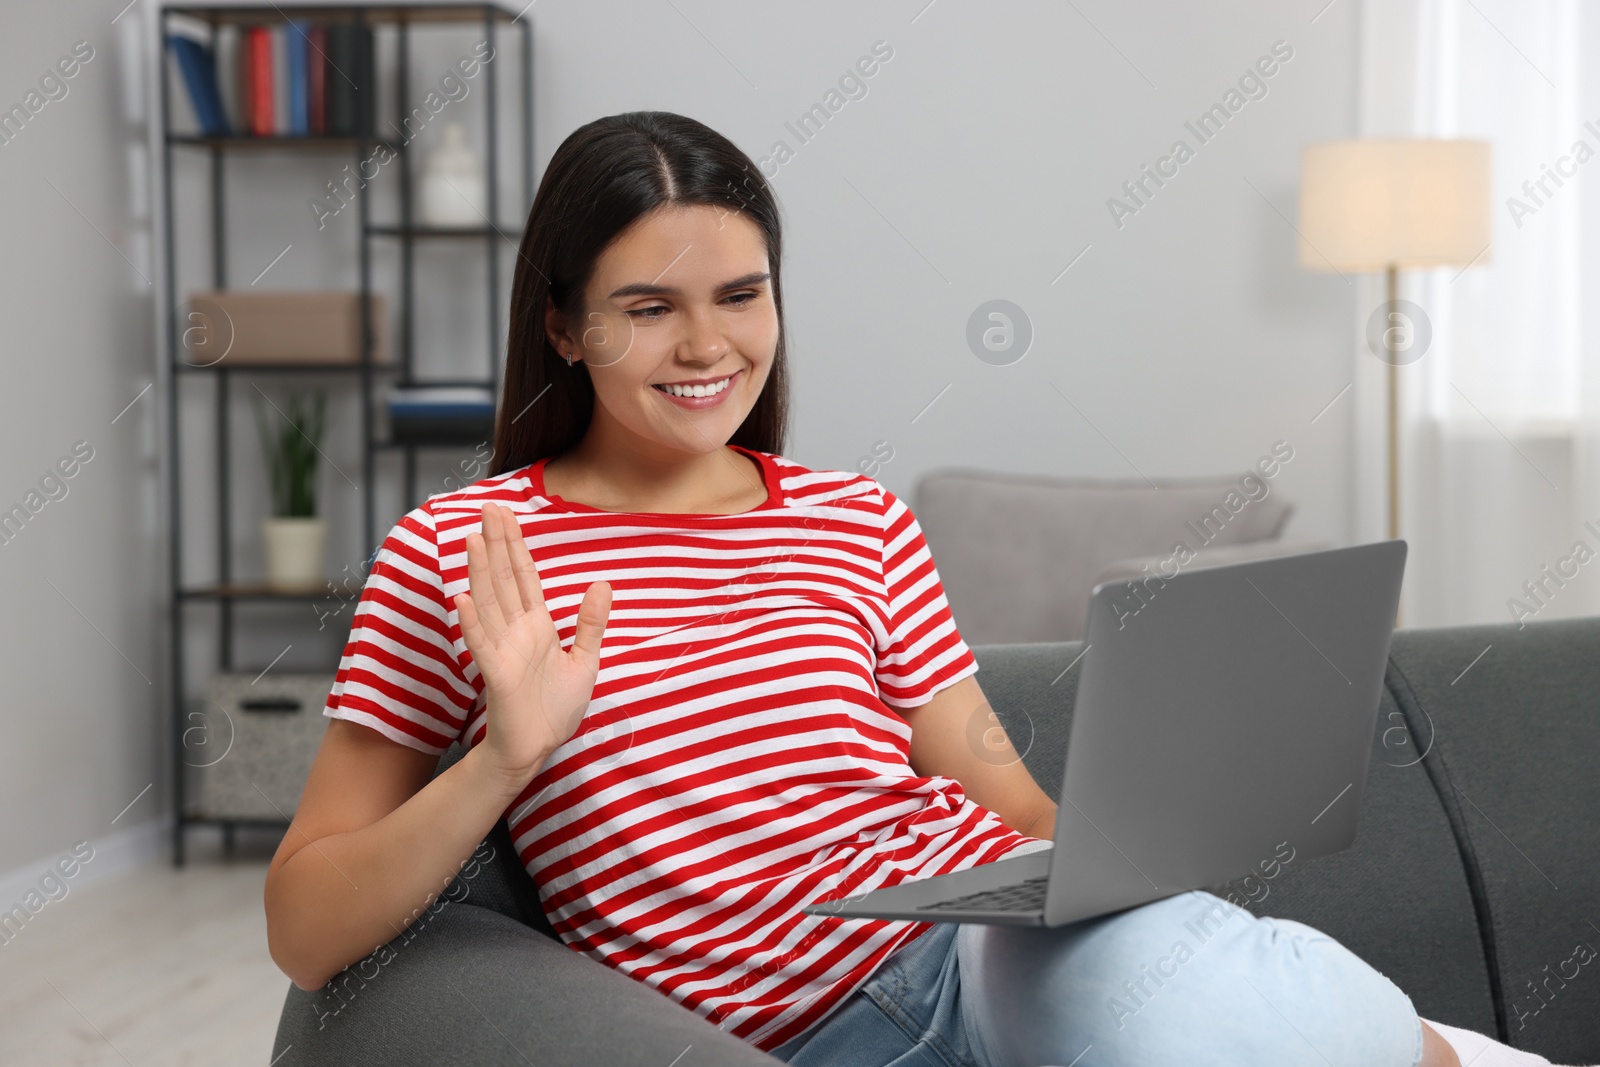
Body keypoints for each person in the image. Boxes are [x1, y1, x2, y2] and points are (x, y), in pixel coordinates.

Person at [265, 110, 1560, 1067]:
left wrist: (1113, 864)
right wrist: (503, 758)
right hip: (819, 1026)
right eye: (648, 307)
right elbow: (306, 928)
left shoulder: (853, 517)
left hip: (989, 950)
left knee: (1179, 991)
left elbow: (992, 788)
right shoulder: (465, 548)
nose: (709, 345)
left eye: (741, 294)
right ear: (562, 325)